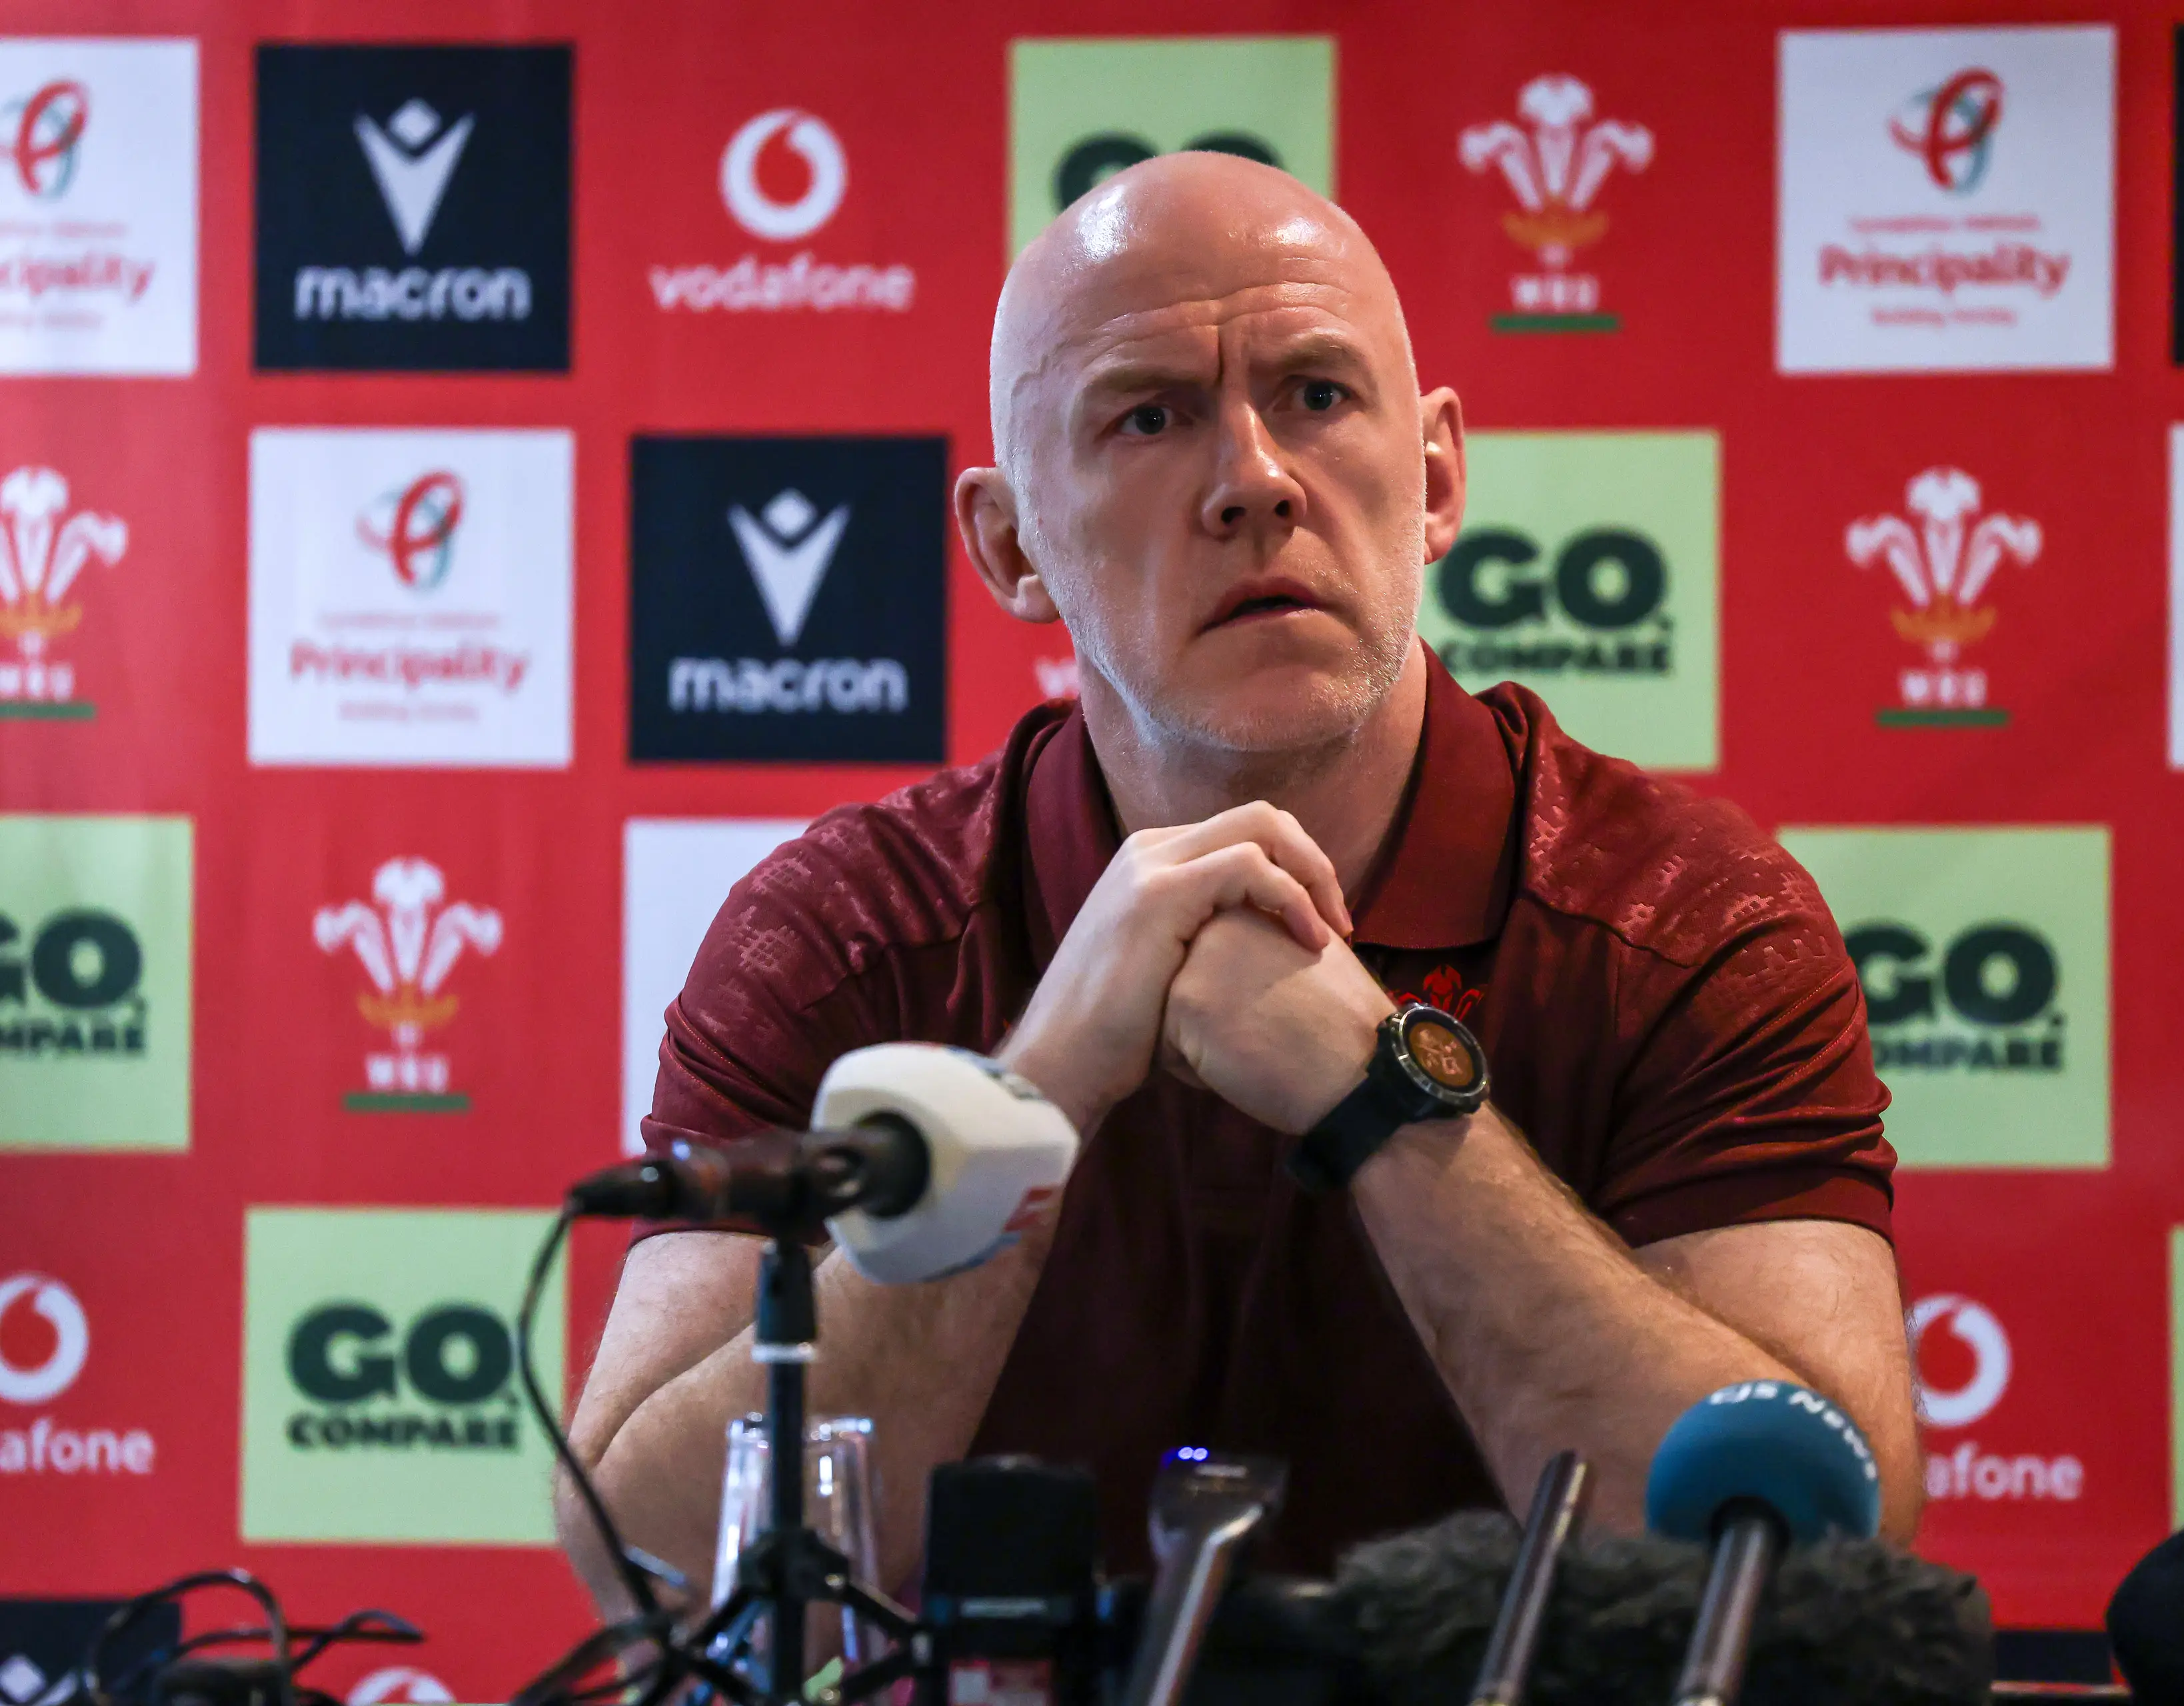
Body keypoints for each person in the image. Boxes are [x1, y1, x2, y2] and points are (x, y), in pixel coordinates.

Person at [561, 151, 1919, 1608]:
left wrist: (1385, 1102)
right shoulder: (847, 932)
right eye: (1148, 415)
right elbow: (648, 1556)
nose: (1255, 482)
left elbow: (1816, 1567)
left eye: (1320, 396)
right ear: (1011, 544)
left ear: (1439, 474)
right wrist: (1035, 1096)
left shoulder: (1683, 916)